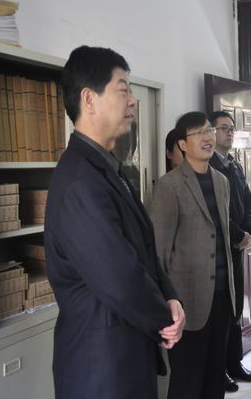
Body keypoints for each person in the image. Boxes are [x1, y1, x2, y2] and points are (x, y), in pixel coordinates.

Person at [45, 46, 184, 399]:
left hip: (123, 355)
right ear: (89, 99)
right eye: (123, 90)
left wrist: (170, 296)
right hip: (101, 369)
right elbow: (120, 277)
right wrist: (165, 318)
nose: (133, 100)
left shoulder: (108, 168)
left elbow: (143, 250)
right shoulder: (79, 181)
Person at [149, 111, 236, 399]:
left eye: (209, 130)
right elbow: (159, 252)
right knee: (187, 384)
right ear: (183, 144)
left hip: (221, 299)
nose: (207, 137)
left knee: (214, 381)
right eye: (198, 133)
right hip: (186, 303)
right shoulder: (169, 186)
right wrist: (165, 304)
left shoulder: (222, 182)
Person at [208, 110, 251, 392]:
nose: (229, 133)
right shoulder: (209, 165)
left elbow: (248, 200)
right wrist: (238, 234)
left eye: (231, 129)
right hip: (219, 249)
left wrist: (248, 228)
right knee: (222, 310)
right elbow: (215, 210)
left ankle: (235, 362)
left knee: (236, 306)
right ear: (211, 132)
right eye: (224, 128)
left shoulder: (235, 164)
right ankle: (220, 370)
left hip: (238, 247)